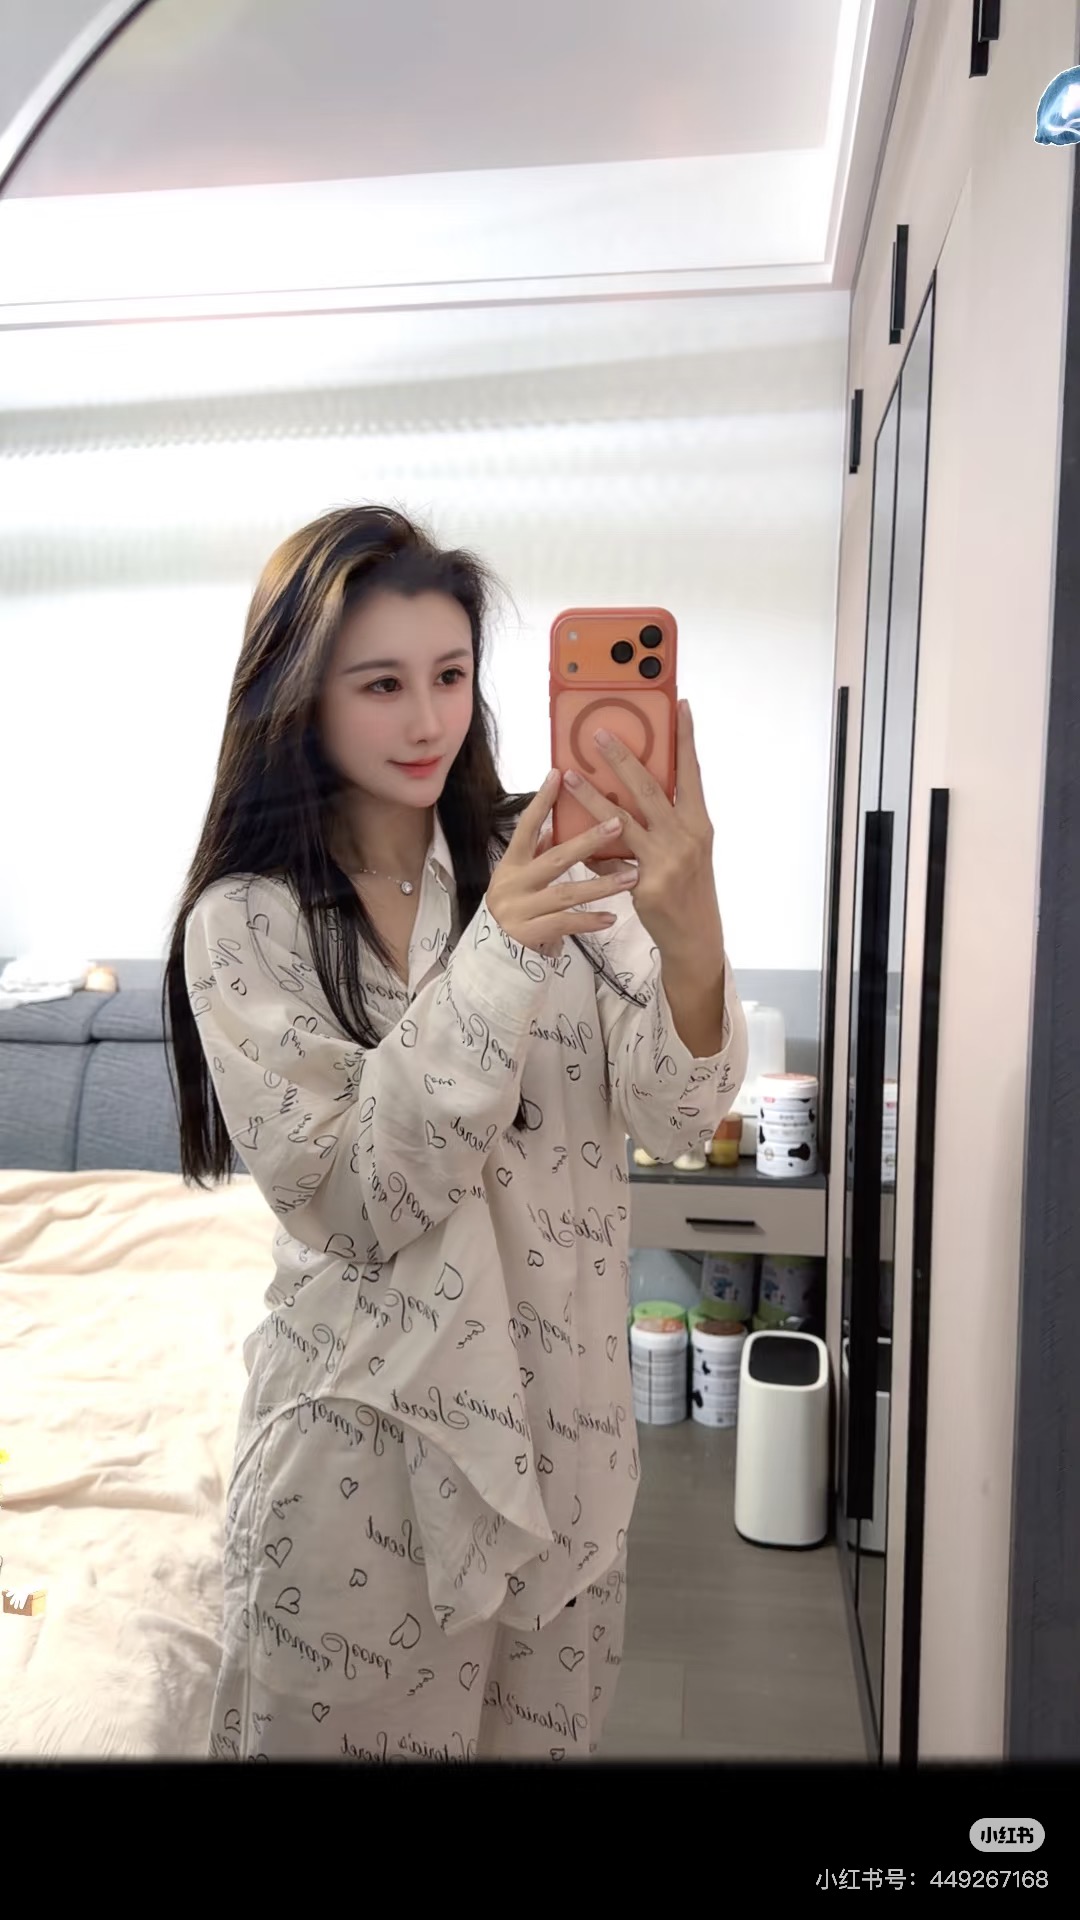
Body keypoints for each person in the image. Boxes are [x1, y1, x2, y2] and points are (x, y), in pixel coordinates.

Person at [165, 504, 747, 1763]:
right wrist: (502, 951)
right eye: (381, 685)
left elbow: (681, 1112)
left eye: (450, 674)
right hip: (359, 1467)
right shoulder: (248, 923)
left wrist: (693, 935)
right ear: (298, 698)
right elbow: (355, 1197)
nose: (429, 718)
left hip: (567, 1447)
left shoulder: (549, 856)